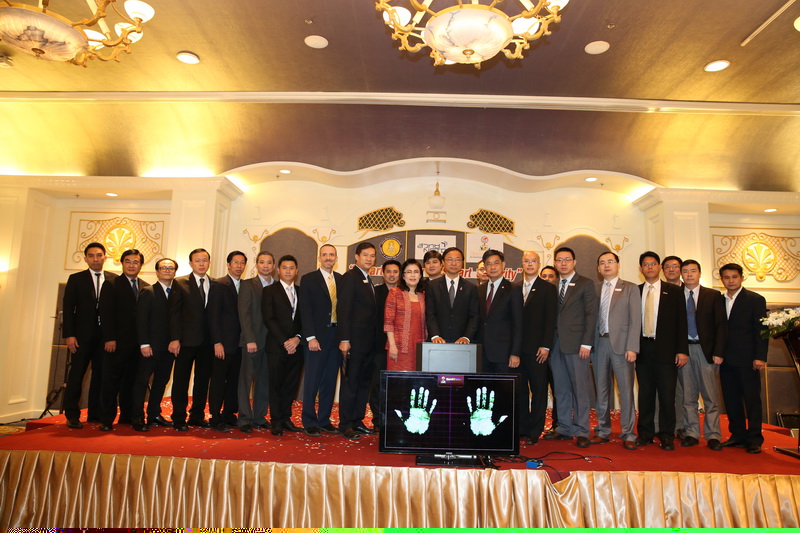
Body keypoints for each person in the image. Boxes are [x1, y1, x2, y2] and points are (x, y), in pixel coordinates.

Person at [542, 247, 597, 448]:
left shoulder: (585, 283)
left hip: (577, 345)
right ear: (555, 263)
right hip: (555, 344)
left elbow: (591, 315)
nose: (563, 263)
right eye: (559, 260)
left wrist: (586, 343)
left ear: (574, 262)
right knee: (561, 388)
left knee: (580, 389)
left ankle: (582, 430)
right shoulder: (551, 286)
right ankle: (564, 427)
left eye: (567, 259)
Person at [635, 251, 688, 451]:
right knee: (645, 394)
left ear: (659, 267)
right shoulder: (636, 291)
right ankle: (645, 434)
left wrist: (682, 350)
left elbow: (681, 322)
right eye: (645, 264)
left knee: (667, 395)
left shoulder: (673, 291)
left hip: (666, 350)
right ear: (641, 269)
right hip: (642, 349)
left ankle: (667, 435)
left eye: (653, 264)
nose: (649, 267)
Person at [62, 242, 118, 428]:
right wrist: (69, 335)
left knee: (101, 376)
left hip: (105, 337)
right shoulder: (76, 279)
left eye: (99, 255)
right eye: (91, 256)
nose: (95, 259)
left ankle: (95, 413)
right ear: (85, 259)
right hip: (81, 337)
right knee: (77, 375)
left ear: (105, 257)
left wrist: (112, 336)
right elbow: (68, 309)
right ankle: (72, 415)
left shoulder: (114, 279)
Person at [591, 251, 641, 450]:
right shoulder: (594, 289)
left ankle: (628, 433)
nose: (606, 265)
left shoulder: (630, 288)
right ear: (598, 268)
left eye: (610, 261)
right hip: (599, 344)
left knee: (625, 391)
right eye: (602, 262)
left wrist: (632, 347)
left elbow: (635, 320)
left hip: (622, 346)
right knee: (601, 390)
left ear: (618, 265)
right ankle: (602, 430)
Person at [718, 263, 768, 454]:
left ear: (741, 277)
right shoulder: (719, 300)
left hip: (748, 360)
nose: (730, 281)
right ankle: (737, 435)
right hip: (725, 359)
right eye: (726, 277)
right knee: (731, 400)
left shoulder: (755, 299)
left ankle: (754, 438)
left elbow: (761, 330)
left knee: (752, 400)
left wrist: (760, 357)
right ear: (721, 279)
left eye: (734, 277)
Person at [98, 248, 149, 431]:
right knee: (111, 382)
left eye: (136, 262)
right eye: (128, 261)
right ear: (122, 263)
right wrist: (109, 338)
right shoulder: (111, 284)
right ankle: (106, 419)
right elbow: (105, 313)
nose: (132, 265)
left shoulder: (145, 286)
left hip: (138, 345)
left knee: (132, 382)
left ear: (141, 265)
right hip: (116, 343)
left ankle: (127, 417)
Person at [679, 259, 726, 451]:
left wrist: (719, 352)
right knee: (688, 396)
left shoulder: (713, 295)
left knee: (710, 396)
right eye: (685, 271)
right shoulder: (675, 295)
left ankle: (713, 435)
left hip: (706, 351)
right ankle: (691, 433)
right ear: (681, 274)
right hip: (684, 351)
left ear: (699, 273)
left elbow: (721, 325)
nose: (689, 274)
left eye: (693, 271)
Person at [300, 244, 344, 437]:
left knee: (329, 381)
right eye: (325, 255)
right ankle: (309, 421)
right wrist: (310, 337)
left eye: (331, 255)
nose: (328, 258)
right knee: (312, 381)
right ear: (319, 258)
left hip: (336, 337)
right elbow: (305, 309)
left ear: (336, 258)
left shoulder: (341, 280)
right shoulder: (309, 279)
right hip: (316, 338)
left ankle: (324, 420)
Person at [337, 242, 380, 440]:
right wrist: (345, 339)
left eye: (372, 256)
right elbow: (344, 309)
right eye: (365, 255)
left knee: (363, 384)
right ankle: (346, 424)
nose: (369, 259)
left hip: (368, 343)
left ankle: (357, 420)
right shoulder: (350, 277)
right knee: (351, 383)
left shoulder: (367, 278)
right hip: (353, 342)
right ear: (356, 257)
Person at [169, 248, 215, 431]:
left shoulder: (215, 284)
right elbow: (174, 313)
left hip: (207, 342)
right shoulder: (180, 283)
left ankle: (197, 416)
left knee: (202, 381)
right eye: (198, 260)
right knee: (181, 380)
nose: (202, 263)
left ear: (209, 262)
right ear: (190, 263)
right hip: (185, 341)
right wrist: (175, 338)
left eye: (205, 260)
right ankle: (179, 417)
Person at [132, 258, 178, 432]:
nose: (167, 270)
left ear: (175, 272)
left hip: (169, 348)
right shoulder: (148, 292)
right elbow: (141, 320)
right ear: (157, 272)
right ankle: (137, 417)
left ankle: (154, 414)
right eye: (163, 268)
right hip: (150, 347)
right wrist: (144, 344)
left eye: (170, 268)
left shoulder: (176, 293)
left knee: (161, 381)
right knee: (142, 382)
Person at [516, 251, 557, 444]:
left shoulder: (547, 288)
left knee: (539, 390)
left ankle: (535, 430)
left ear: (539, 264)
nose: (530, 264)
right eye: (527, 261)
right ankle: (523, 427)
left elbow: (550, 319)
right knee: (521, 390)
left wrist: (546, 345)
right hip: (517, 350)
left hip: (538, 349)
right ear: (522, 264)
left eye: (533, 261)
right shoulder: (515, 288)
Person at [262, 255, 304, 436]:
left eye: (291, 268)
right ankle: (276, 421)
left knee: (291, 385)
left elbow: (305, 318)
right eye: (284, 267)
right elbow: (268, 318)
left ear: (296, 271)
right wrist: (285, 341)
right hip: (277, 347)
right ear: (278, 270)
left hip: (297, 346)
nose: (288, 271)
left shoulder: (301, 292)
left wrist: (298, 338)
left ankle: (286, 418)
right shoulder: (269, 291)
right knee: (276, 385)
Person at [206, 251, 246, 433]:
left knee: (234, 381)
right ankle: (215, 416)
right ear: (228, 264)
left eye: (242, 263)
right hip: (223, 343)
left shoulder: (245, 286)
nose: (239, 266)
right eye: (235, 262)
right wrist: (217, 342)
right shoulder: (219, 284)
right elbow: (213, 315)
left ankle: (229, 414)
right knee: (218, 380)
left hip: (240, 344)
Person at [237, 251, 274, 433]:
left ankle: (259, 417)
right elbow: (244, 314)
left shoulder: (277, 286)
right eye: (262, 262)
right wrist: (250, 339)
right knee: (246, 381)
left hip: (270, 343)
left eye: (269, 262)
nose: (265, 266)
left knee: (264, 381)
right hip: (252, 341)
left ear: (273, 266)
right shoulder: (247, 284)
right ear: (256, 264)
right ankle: (244, 418)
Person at [476, 249, 523, 373]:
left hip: (503, 353)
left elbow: (518, 324)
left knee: (503, 385)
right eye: (489, 264)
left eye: (496, 263)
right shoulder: (479, 290)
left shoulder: (514, 289)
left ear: (503, 265)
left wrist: (515, 353)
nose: (492, 267)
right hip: (481, 353)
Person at [369, 259, 402, 428]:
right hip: (378, 346)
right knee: (377, 383)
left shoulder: (405, 292)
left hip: (400, 346)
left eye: (395, 272)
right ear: (382, 274)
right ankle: (377, 419)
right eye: (388, 271)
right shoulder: (375, 292)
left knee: (397, 384)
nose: (392, 275)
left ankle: (395, 419)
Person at [425, 247, 479, 345]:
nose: (454, 263)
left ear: (462, 263)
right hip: (437, 342)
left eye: (457, 260)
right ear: (443, 262)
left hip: (462, 343)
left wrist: (466, 337)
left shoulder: (471, 287)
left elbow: (474, 316)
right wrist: (435, 335)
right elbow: (430, 313)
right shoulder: (432, 286)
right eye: (450, 259)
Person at [384, 259, 427, 371]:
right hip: (398, 348)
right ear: (403, 276)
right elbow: (388, 322)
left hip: (420, 348)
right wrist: (392, 346)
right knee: (398, 380)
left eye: (416, 272)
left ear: (420, 275)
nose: (412, 275)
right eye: (409, 272)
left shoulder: (424, 296)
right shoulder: (395, 293)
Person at [660, 254, 686, 439]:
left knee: (684, 391)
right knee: (664, 391)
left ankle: (682, 427)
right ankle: (661, 427)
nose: (671, 270)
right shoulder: (658, 290)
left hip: (685, 347)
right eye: (667, 267)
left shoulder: (689, 290)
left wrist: (681, 349)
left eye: (675, 266)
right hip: (663, 350)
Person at [539, 263, 559, 430]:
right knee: (539, 390)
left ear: (557, 279)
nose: (547, 279)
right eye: (544, 276)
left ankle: (558, 423)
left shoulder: (560, 297)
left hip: (557, 351)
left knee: (558, 389)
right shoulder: (534, 296)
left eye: (551, 276)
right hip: (538, 352)